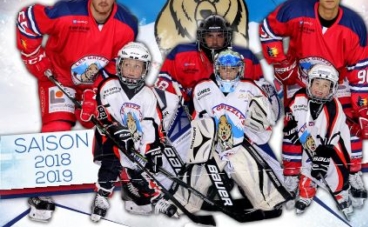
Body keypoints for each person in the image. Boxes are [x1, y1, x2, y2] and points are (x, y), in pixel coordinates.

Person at [16, 0, 138, 222]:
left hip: (95, 85)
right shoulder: (65, 12)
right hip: (58, 78)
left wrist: (96, 91)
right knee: (57, 125)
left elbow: (118, 64)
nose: (103, 1)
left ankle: (121, 179)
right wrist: (31, 54)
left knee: (111, 125)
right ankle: (43, 188)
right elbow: (27, 19)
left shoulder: (127, 25)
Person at [259, 0, 368, 208]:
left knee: (352, 121)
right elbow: (268, 30)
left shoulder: (354, 24)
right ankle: (292, 176)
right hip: (301, 78)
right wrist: (280, 61)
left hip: (337, 82)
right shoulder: (294, 9)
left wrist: (362, 107)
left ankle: (352, 170)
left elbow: (361, 68)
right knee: (293, 124)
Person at [154, 49, 288, 218]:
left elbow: (264, 123)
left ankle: (268, 199)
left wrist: (256, 124)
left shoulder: (250, 88)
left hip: (240, 145)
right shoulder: (202, 89)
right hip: (212, 146)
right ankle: (183, 202)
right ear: (217, 68)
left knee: (260, 190)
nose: (228, 73)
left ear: (240, 69)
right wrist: (203, 145)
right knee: (195, 179)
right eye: (224, 68)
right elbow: (197, 121)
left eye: (233, 69)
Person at [80, 42, 165, 221]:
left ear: (145, 69)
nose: (132, 70)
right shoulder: (108, 85)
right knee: (111, 163)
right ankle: (102, 196)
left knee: (139, 172)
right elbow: (100, 112)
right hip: (110, 139)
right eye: (127, 64)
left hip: (135, 144)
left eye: (137, 66)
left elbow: (153, 125)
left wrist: (153, 149)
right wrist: (110, 125)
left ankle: (154, 196)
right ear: (119, 65)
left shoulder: (148, 95)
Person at [155, 14, 281, 118]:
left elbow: (261, 92)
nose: (215, 41)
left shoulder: (246, 57)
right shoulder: (180, 54)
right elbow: (163, 89)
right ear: (201, 37)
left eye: (219, 36)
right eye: (210, 36)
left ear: (227, 37)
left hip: (237, 118)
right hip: (191, 119)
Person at [283, 64, 353, 217]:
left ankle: (341, 193)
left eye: (326, 85)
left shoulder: (335, 106)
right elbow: (290, 114)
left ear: (332, 88)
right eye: (317, 83)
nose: (320, 89)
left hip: (333, 145)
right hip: (309, 139)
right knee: (307, 166)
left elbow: (333, 135)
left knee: (335, 169)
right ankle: (306, 192)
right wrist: (290, 125)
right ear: (309, 83)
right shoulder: (299, 97)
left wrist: (323, 155)